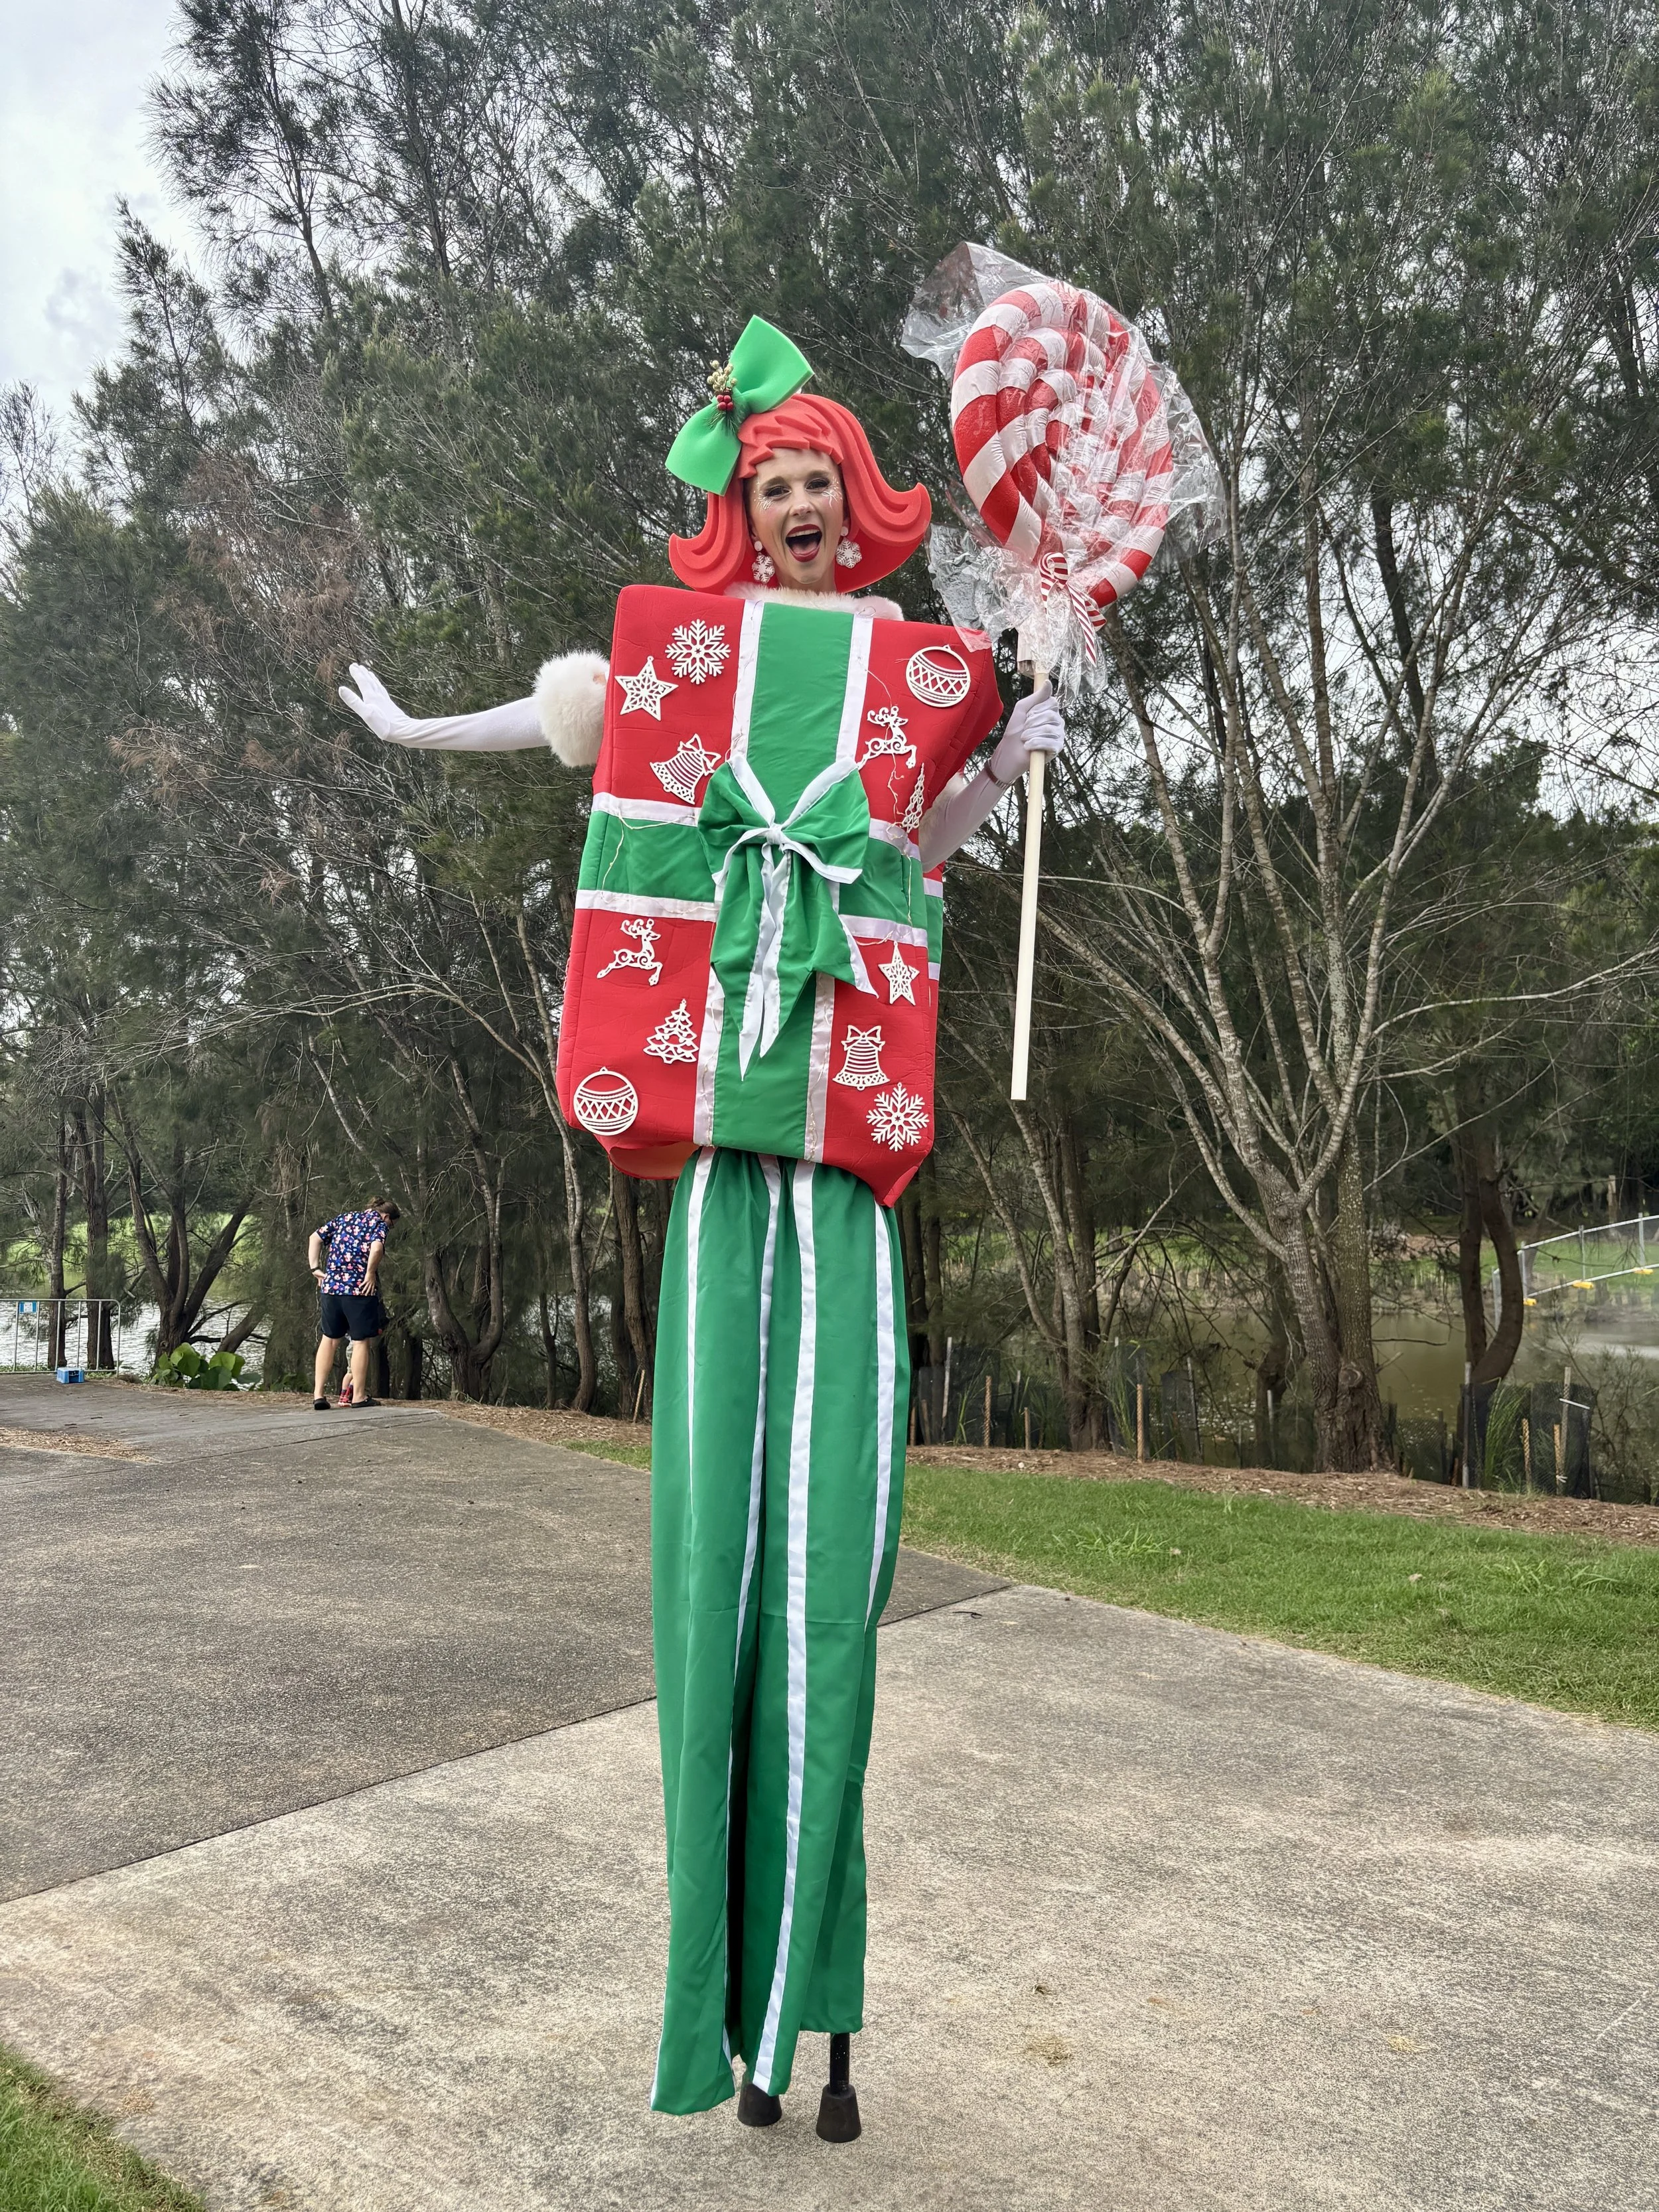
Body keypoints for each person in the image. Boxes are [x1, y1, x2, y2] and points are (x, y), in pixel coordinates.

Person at [338, 319, 1064, 2136]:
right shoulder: (696, 672)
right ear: (745, 509)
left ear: (857, 502)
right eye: (773, 484)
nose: (800, 504)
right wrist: (421, 726)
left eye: (820, 480)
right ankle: (726, 2015)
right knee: (712, 1590)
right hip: (731, 1180)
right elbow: (578, 728)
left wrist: (1011, 738)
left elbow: (920, 841)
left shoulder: (902, 673)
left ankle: (822, 2012)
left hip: (842, 1186)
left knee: (831, 1598)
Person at [309, 1199, 398, 1410]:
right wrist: (370, 1273)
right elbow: (377, 1249)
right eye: (392, 1225)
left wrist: (315, 1269)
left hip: (331, 1288)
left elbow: (315, 1238)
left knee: (329, 1339)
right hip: (359, 1290)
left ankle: (318, 1395)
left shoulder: (344, 1218)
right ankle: (358, 1396)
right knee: (360, 1341)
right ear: (387, 1217)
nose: (389, 1228)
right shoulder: (378, 1224)